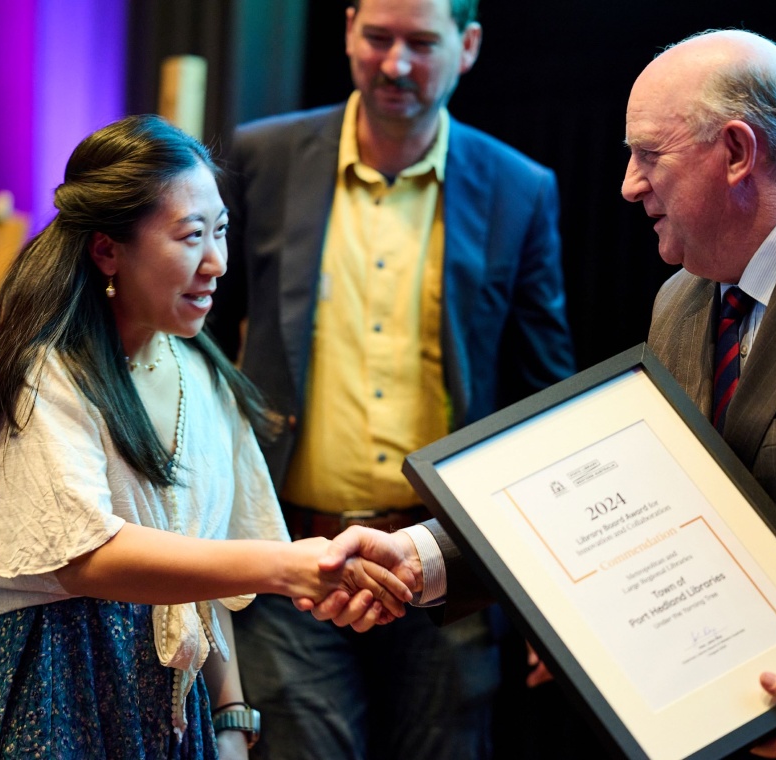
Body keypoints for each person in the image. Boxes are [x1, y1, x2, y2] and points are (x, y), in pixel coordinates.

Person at [309, 27, 776, 760]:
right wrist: (422, 557)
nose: (629, 184)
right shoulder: (683, 299)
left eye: (649, 154)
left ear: (736, 152)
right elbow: (636, 499)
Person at [0, 115, 410, 760]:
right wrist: (290, 567)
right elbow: (88, 557)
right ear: (107, 249)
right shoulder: (45, 374)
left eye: (221, 231)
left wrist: (230, 717)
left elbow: (209, 572)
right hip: (63, 691)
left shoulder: (201, 373)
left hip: (177, 706)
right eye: (192, 236)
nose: (217, 263)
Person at [207, 0, 575, 756]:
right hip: (293, 561)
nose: (395, 64)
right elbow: (202, 342)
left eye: (420, 43)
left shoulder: (519, 188)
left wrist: (552, 595)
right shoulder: (262, 158)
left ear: (468, 45)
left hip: (448, 571)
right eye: (377, 38)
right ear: (347, 32)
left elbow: (547, 398)